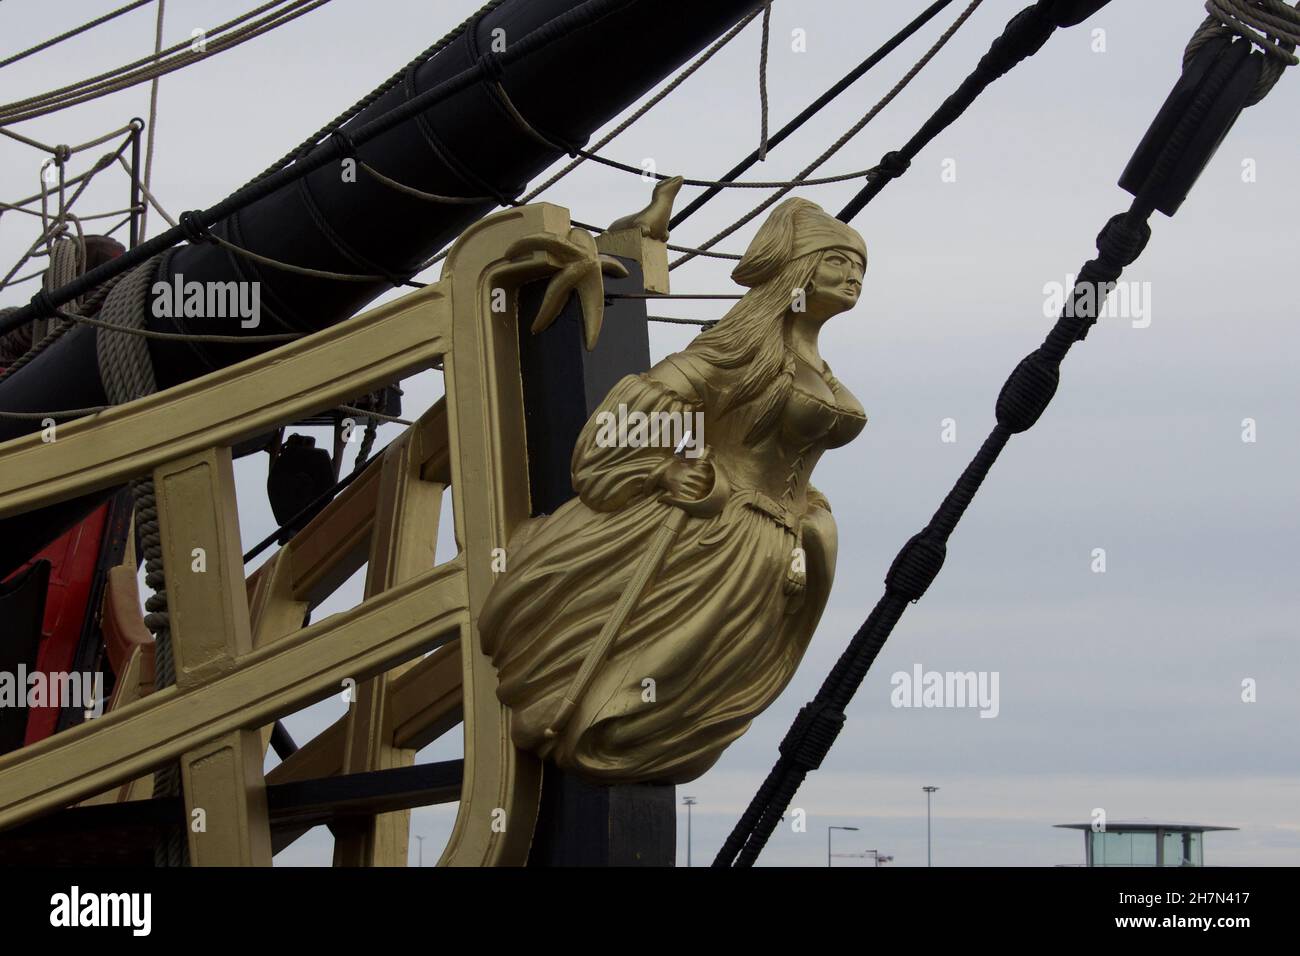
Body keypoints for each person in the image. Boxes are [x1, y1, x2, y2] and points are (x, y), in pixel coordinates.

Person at [479, 197, 868, 784]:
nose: (855, 275)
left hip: (777, 556)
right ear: (799, 269)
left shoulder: (819, 367)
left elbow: (797, 465)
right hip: (713, 539)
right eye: (838, 260)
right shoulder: (741, 351)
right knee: (650, 679)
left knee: (709, 685)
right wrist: (663, 472)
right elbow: (632, 416)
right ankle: (585, 719)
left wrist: (810, 516)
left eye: (861, 266)